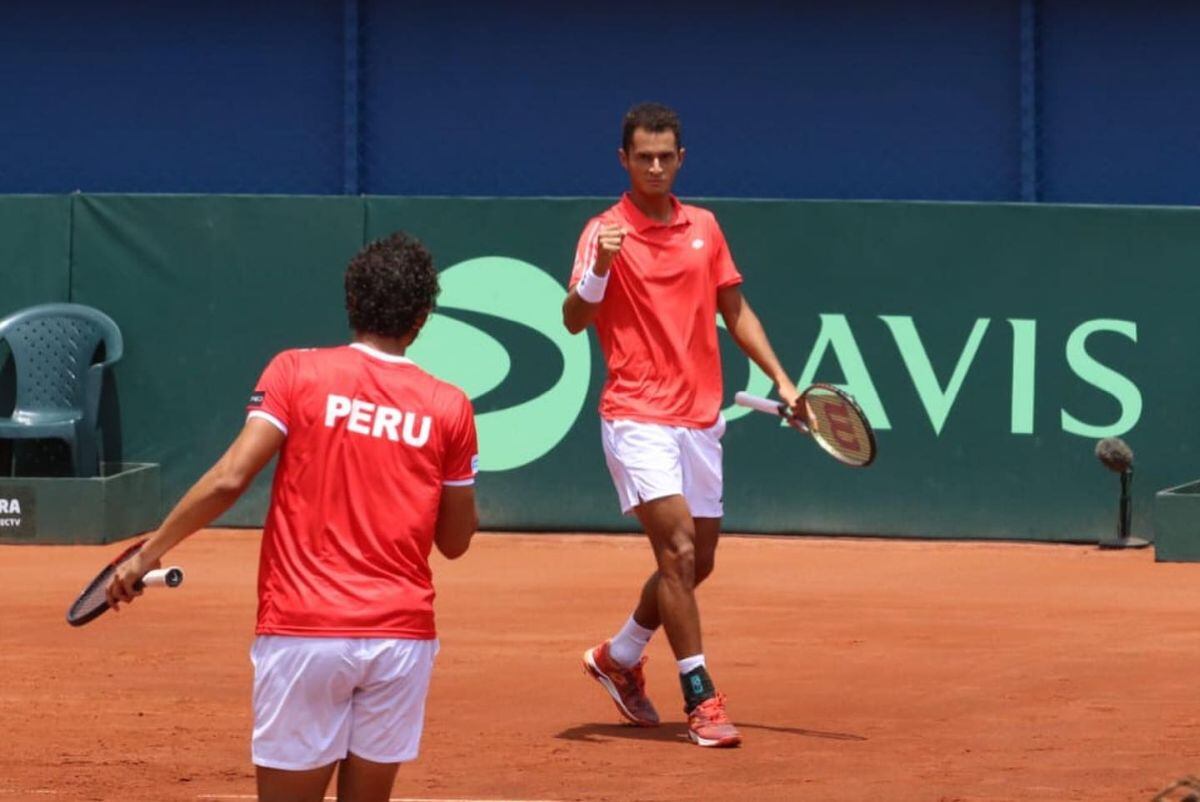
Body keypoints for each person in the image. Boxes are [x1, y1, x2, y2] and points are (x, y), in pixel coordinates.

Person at [106, 232, 479, 802]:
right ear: (421, 318)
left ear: (352, 301)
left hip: (304, 633)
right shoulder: (449, 406)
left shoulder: (295, 372)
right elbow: (455, 541)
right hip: (400, 642)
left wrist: (146, 554)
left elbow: (230, 478)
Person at [563, 102, 799, 748]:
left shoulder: (706, 227)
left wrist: (781, 378)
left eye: (665, 157)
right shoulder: (604, 231)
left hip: (699, 417)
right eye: (643, 157)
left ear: (681, 159)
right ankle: (701, 698)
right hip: (636, 414)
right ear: (624, 160)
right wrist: (602, 267)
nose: (655, 167)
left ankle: (618, 656)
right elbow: (574, 319)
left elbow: (736, 310)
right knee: (677, 552)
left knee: (700, 561)